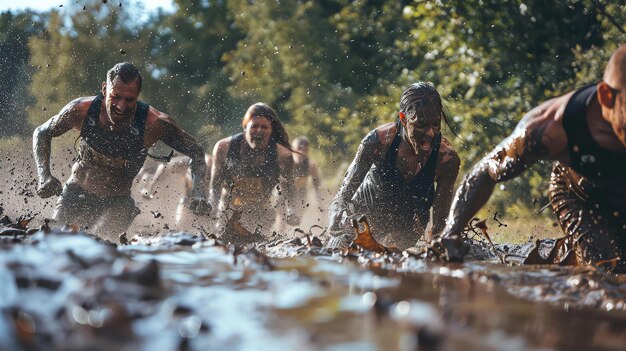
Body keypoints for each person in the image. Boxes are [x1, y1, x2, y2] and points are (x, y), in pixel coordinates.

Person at [441, 45, 626, 272]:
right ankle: (565, 253)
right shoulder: (550, 130)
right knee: (611, 268)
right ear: (607, 96)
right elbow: (487, 170)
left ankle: (568, 252)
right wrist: (452, 231)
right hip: (579, 194)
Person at [33, 62, 210, 241]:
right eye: (116, 97)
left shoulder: (154, 124)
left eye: (129, 100)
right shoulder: (81, 110)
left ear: (137, 97)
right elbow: (42, 132)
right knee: (53, 242)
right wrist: (45, 176)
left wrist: (198, 193)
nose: (121, 106)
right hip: (77, 192)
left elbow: (195, 150)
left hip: (117, 203)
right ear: (104, 89)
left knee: (102, 247)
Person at [328, 82, 460, 249]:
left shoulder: (446, 160)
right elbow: (343, 196)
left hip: (405, 232)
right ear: (404, 119)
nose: (430, 133)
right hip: (362, 221)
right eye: (421, 125)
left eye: (435, 124)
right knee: (336, 250)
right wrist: (335, 216)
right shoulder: (377, 143)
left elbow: (441, 225)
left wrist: (438, 248)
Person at [209, 102, 299, 239]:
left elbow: (289, 186)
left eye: (264, 127)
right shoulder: (224, 148)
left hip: (261, 212)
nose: (259, 131)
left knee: (257, 250)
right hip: (228, 209)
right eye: (254, 126)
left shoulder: (283, 155)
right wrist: (211, 213)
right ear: (246, 127)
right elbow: (215, 186)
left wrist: (292, 211)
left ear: (271, 130)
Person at [140, 152, 212, 230]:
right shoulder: (195, 162)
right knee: (180, 225)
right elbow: (164, 166)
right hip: (188, 199)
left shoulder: (211, 168)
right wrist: (150, 188)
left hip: (203, 201)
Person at [279, 136, 322, 228]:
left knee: (297, 220)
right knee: (283, 220)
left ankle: (296, 236)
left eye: (305, 145)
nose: (303, 148)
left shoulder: (310, 164)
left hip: (301, 194)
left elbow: (316, 183)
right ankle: (280, 234)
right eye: (300, 145)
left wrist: (319, 199)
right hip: (284, 193)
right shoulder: (285, 161)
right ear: (293, 148)